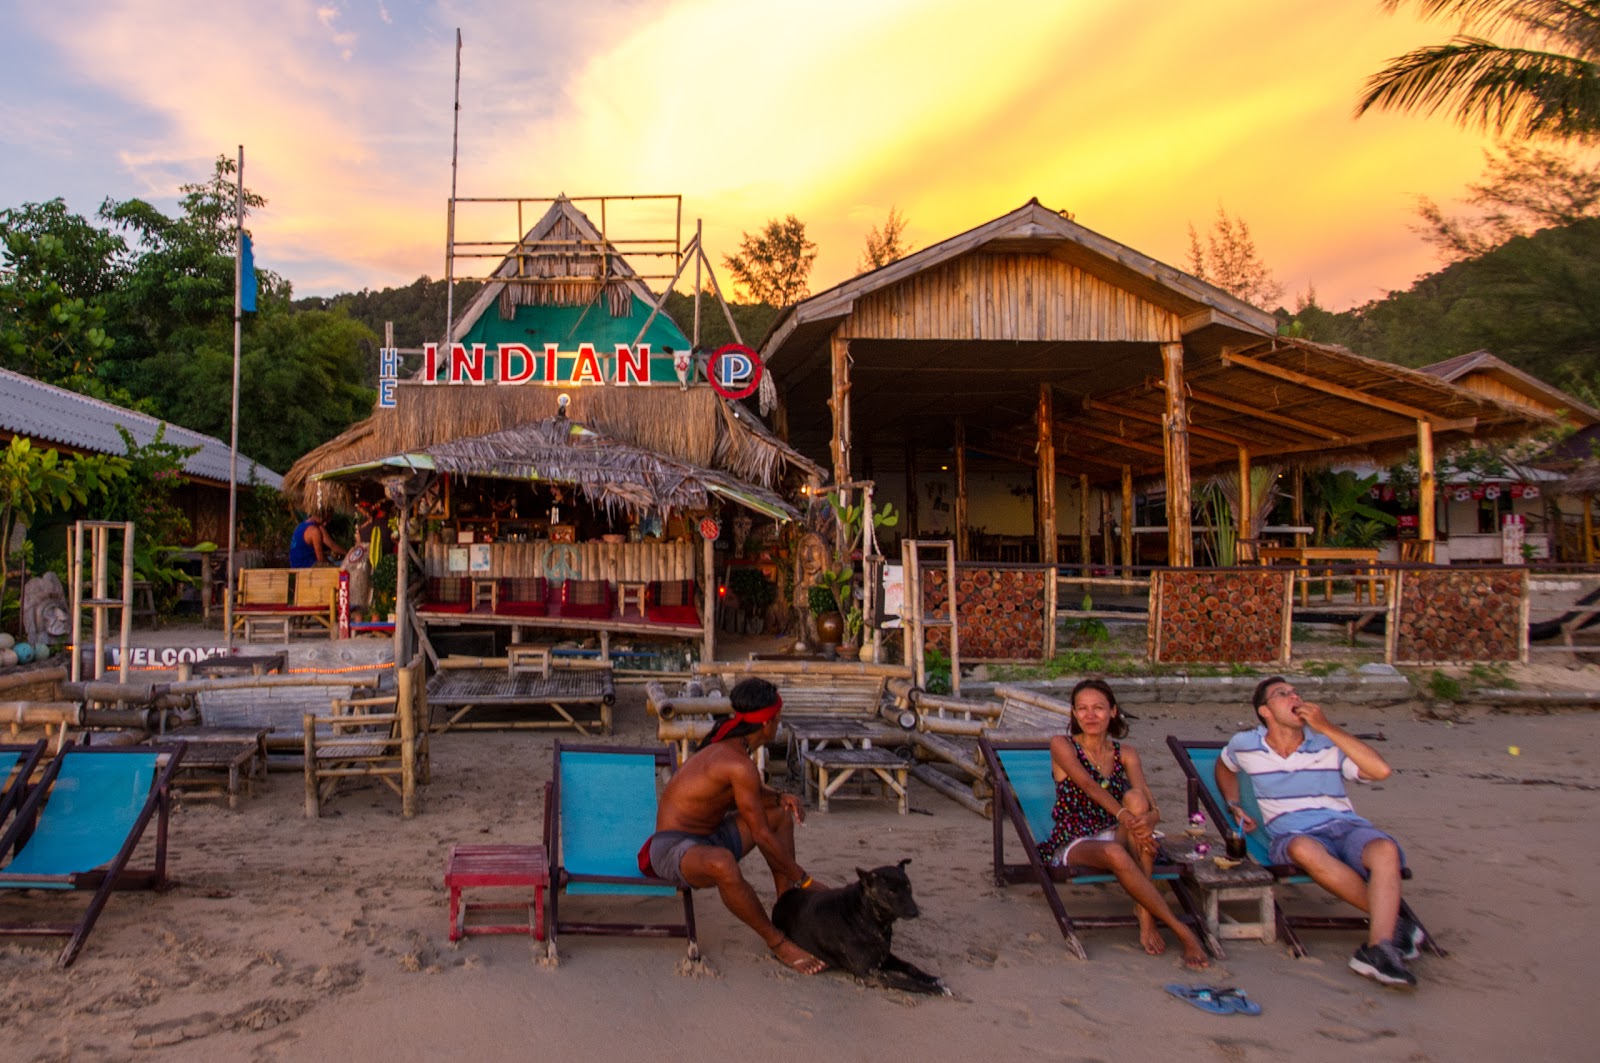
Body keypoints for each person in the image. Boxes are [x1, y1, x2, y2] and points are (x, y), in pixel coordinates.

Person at [1216, 676, 1424, 988]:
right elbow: (1224, 767)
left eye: (1295, 692)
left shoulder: (1328, 743)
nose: (1294, 697)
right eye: (1282, 694)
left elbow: (1381, 771)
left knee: (1385, 850)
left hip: (1346, 826)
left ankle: (1379, 949)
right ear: (1265, 711)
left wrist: (1327, 728)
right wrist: (1234, 804)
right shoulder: (1245, 745)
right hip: (1293, 834)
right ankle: (1393, 923)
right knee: (1304, 849)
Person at [640, 678, 827, 974]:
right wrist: (806, 879)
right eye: (778, 720)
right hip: (673, 849)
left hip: (708, 837)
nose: (779, 725)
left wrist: (780, 796)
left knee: (779, 813)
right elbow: (761, 835)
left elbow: (738, 795)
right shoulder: (739, 764)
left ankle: (786, 908)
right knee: (724, 863)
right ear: (765, 723)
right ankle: (776, 940)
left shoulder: (732, 747)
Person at [1039, 678, 1209, 969]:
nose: (1090, 715)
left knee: (1135, 798)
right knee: (1120, 845)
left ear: (1113, 711)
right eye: (1082, 709)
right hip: (1076, 838)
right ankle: (1180, 929)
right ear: (1074, 714)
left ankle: (1144, 912)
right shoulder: (1062, 745)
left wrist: (1145, 820)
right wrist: (1127, 818)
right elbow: (1088, 784)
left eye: (1098, 708)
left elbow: (1151, 804)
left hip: (1120, 830)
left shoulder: (1126, 753)